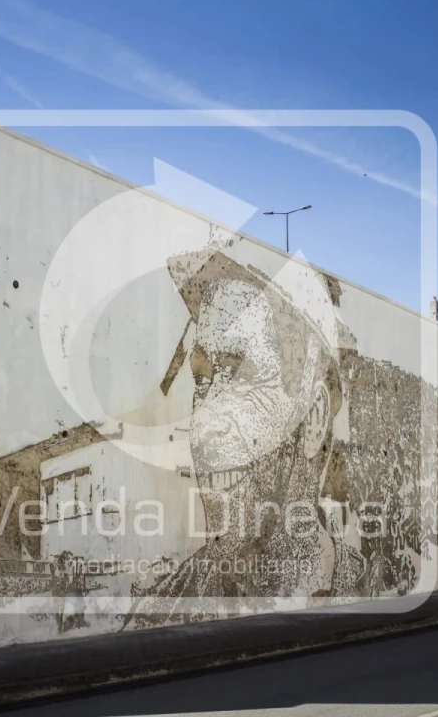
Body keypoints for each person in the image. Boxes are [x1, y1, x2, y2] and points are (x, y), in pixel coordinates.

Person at [124, 247, 364, 627]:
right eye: (202, 380)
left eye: (240, 375)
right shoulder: (161, 615)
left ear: (313, 418)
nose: (204, 423)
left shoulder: (366, 596)